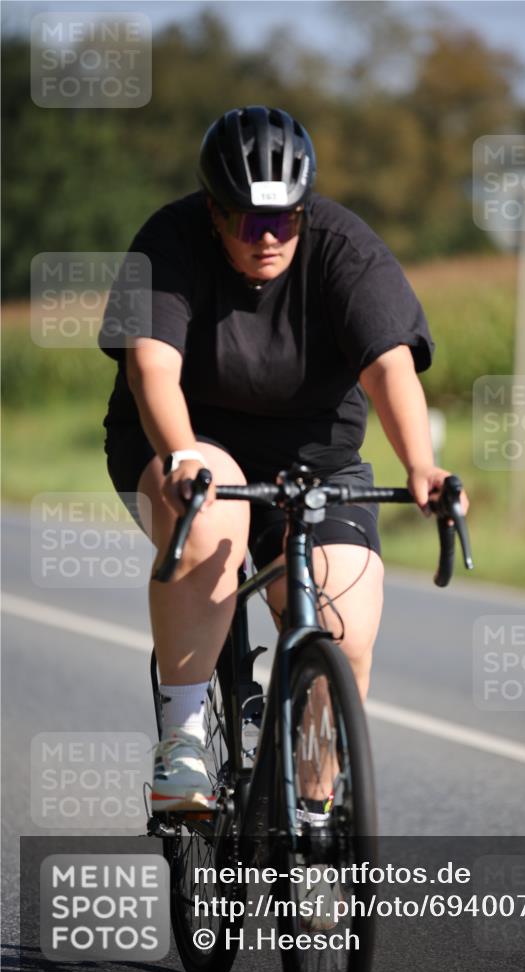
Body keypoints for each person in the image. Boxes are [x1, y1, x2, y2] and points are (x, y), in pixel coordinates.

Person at [100, 105, 467, 814]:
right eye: (247, 220)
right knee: (210, 526)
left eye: (285, 220)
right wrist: (178, 455)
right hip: (183, 437)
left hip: (314, 458)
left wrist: (421, 463)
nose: (267, 237)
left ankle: (316, 811)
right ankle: (181, 744)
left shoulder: (343, 246)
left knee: (347, 627)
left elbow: (390, 368)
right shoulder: (169, 241)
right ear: (213, 211)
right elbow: (152, 370)